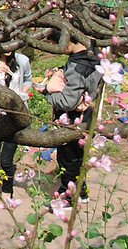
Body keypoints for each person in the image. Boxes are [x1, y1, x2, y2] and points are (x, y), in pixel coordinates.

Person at [41, 39, 103, 201]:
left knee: (68, 158)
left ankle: (67, 197)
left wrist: (48, 94)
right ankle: (81, 192)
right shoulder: (93, 55)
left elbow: (69, 102)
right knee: (78, 155)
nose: (60, 47)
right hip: (88, 114)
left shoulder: (79, 67)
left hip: (73, 119)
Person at [0, 50, 33, 196]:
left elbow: (28, 79)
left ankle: (7, 190)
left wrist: (23, 91)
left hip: (15, 117)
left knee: (6, 160)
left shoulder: (22, 60)